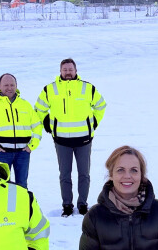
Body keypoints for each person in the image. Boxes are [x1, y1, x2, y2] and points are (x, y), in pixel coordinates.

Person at [35, 58, 107, 217]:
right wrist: (46, 122)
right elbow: (39, 108)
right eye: (65, 69)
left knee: (84, 174)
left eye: (70, 69)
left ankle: (82, 205)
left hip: (84, 140)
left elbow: (101, 105)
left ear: (76, 71)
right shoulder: (50, 89)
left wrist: (92, 123)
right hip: (61, 141)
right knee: (65, 175)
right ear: (60, 71)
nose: (68, 72)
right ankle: (67, 205)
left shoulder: (87, 88)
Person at [0, 73, 43, 188]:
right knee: (2, 186)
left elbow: (37, 126)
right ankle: (3, 207)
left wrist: (32, 145)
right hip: (1, 154)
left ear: (16, 86)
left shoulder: (25, 105)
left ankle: (21, 206)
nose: (9, 88)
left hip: (23, 153)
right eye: (6, 85)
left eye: (12, 85)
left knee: (22, 185)